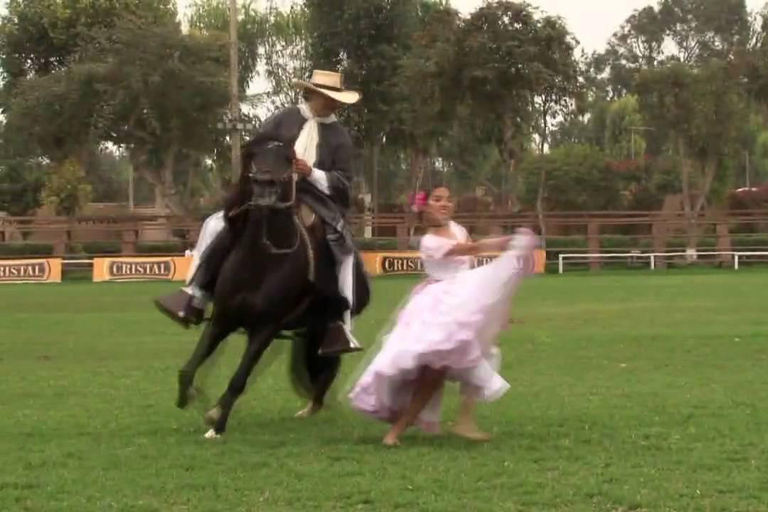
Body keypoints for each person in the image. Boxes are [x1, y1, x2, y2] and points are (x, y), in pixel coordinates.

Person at [154, 69, 365, 352]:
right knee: (216, 223)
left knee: (344, 249)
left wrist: (311, 172)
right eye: (328, 97)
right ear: (313, 94)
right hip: (270, 191)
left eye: (336, 98)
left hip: (315, 199)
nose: (333, 103)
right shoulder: (283, 118)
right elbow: (254, 148)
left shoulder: (340, 136)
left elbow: (343, 181)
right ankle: (195, 295)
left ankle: (340, 325)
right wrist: (267, 169)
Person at [348, 186, 539, 446]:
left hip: (459, 300)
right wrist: (507, 242)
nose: (445, 204)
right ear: (425, 208)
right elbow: (470, 250)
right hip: (437, 306)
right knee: (433, 371)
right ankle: (398, 429)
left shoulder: (458, 229)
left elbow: (471, 258)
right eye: (438, 200)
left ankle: (461, 420)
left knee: (478, 351)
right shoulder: (429, 241)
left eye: (449, 199)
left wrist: (484, 307)